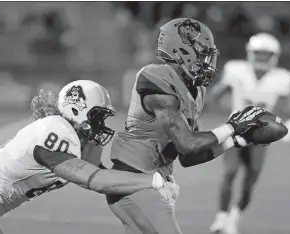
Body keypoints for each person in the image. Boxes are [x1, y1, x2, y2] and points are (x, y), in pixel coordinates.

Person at [105, 18, 268, 234]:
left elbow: (190, 157)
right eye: (203, 54)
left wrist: (236, 140)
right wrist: (232, 126)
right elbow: (187, 143)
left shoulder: (195, 90)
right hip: (134, 180)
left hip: (153, 181)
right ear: (182, 50)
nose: (208, 62)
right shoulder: (156, 76)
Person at [0, 80, 177, 234]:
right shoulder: (56, 130)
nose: (101, 125)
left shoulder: (74, 140)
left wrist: (150, 179)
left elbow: (109, 180)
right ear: (77, 109)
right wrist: (154, 181)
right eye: (98, 118)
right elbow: (97, 181)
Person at [209, 33, 290, 234]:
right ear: (250, 53)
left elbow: (285, 105)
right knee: (229, 173)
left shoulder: (281, 78)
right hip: (235, 131)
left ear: (274, 56)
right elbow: (214, 96)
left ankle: (234, 217)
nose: (262, 59)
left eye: (266, 55)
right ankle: (221, 218)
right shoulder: (236, 70)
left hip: (261, 137)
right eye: (259, 54)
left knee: (250, 181)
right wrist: (220, 85)